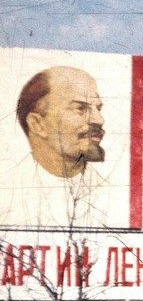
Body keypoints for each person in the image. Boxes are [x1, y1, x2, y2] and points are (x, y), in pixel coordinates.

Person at [8, 66, 119, 228]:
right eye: (80, 108)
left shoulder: (111, 196)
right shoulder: (8, 193)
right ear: (38, 124)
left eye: (98, 109)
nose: (99, 119)